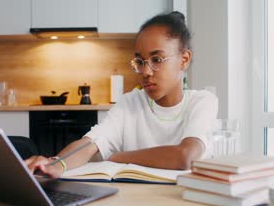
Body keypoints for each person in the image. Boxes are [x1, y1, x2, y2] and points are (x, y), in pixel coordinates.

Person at [25, 11, 218, 178]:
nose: (146, 72)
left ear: (184, 60)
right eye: (140, 62)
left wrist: (120, 157)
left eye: (157, 59)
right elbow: (89, 144)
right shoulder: (129, 103)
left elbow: (186, 157)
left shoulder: (202, 102)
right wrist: (57, 163)